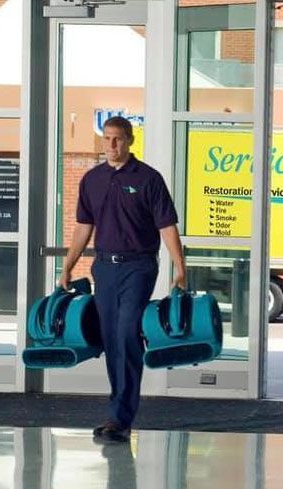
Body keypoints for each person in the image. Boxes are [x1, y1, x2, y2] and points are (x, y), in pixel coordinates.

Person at [59, 115, 186, 443]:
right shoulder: (92, 180)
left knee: (128, 333)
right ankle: (117, 413)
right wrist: (68, 265)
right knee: (111, 339)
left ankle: (121, 418)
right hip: (104, 268)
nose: (112, 145)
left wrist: (180, 268)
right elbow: (84, 228)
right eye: (107, 139)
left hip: (138, 266)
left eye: (118, 139)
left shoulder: (148, 179)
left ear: (130, 141)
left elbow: (167, 227)